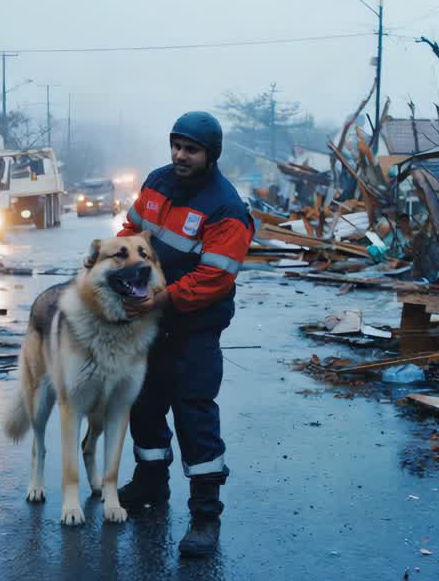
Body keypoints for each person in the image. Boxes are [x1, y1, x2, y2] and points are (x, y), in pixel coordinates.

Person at [116, 111, 254, 557]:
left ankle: (205, 516)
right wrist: (118, 264)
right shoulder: (157, 182)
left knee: (194, 415)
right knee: (144, 404)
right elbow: (131, 231)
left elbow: (214, 278)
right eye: (176, 145)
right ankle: (151, 483)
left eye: (191, 149)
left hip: (195, 326)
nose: (180, 155)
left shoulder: (226, 209)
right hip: (150, 321)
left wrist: (159, 299)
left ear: (211, 154)